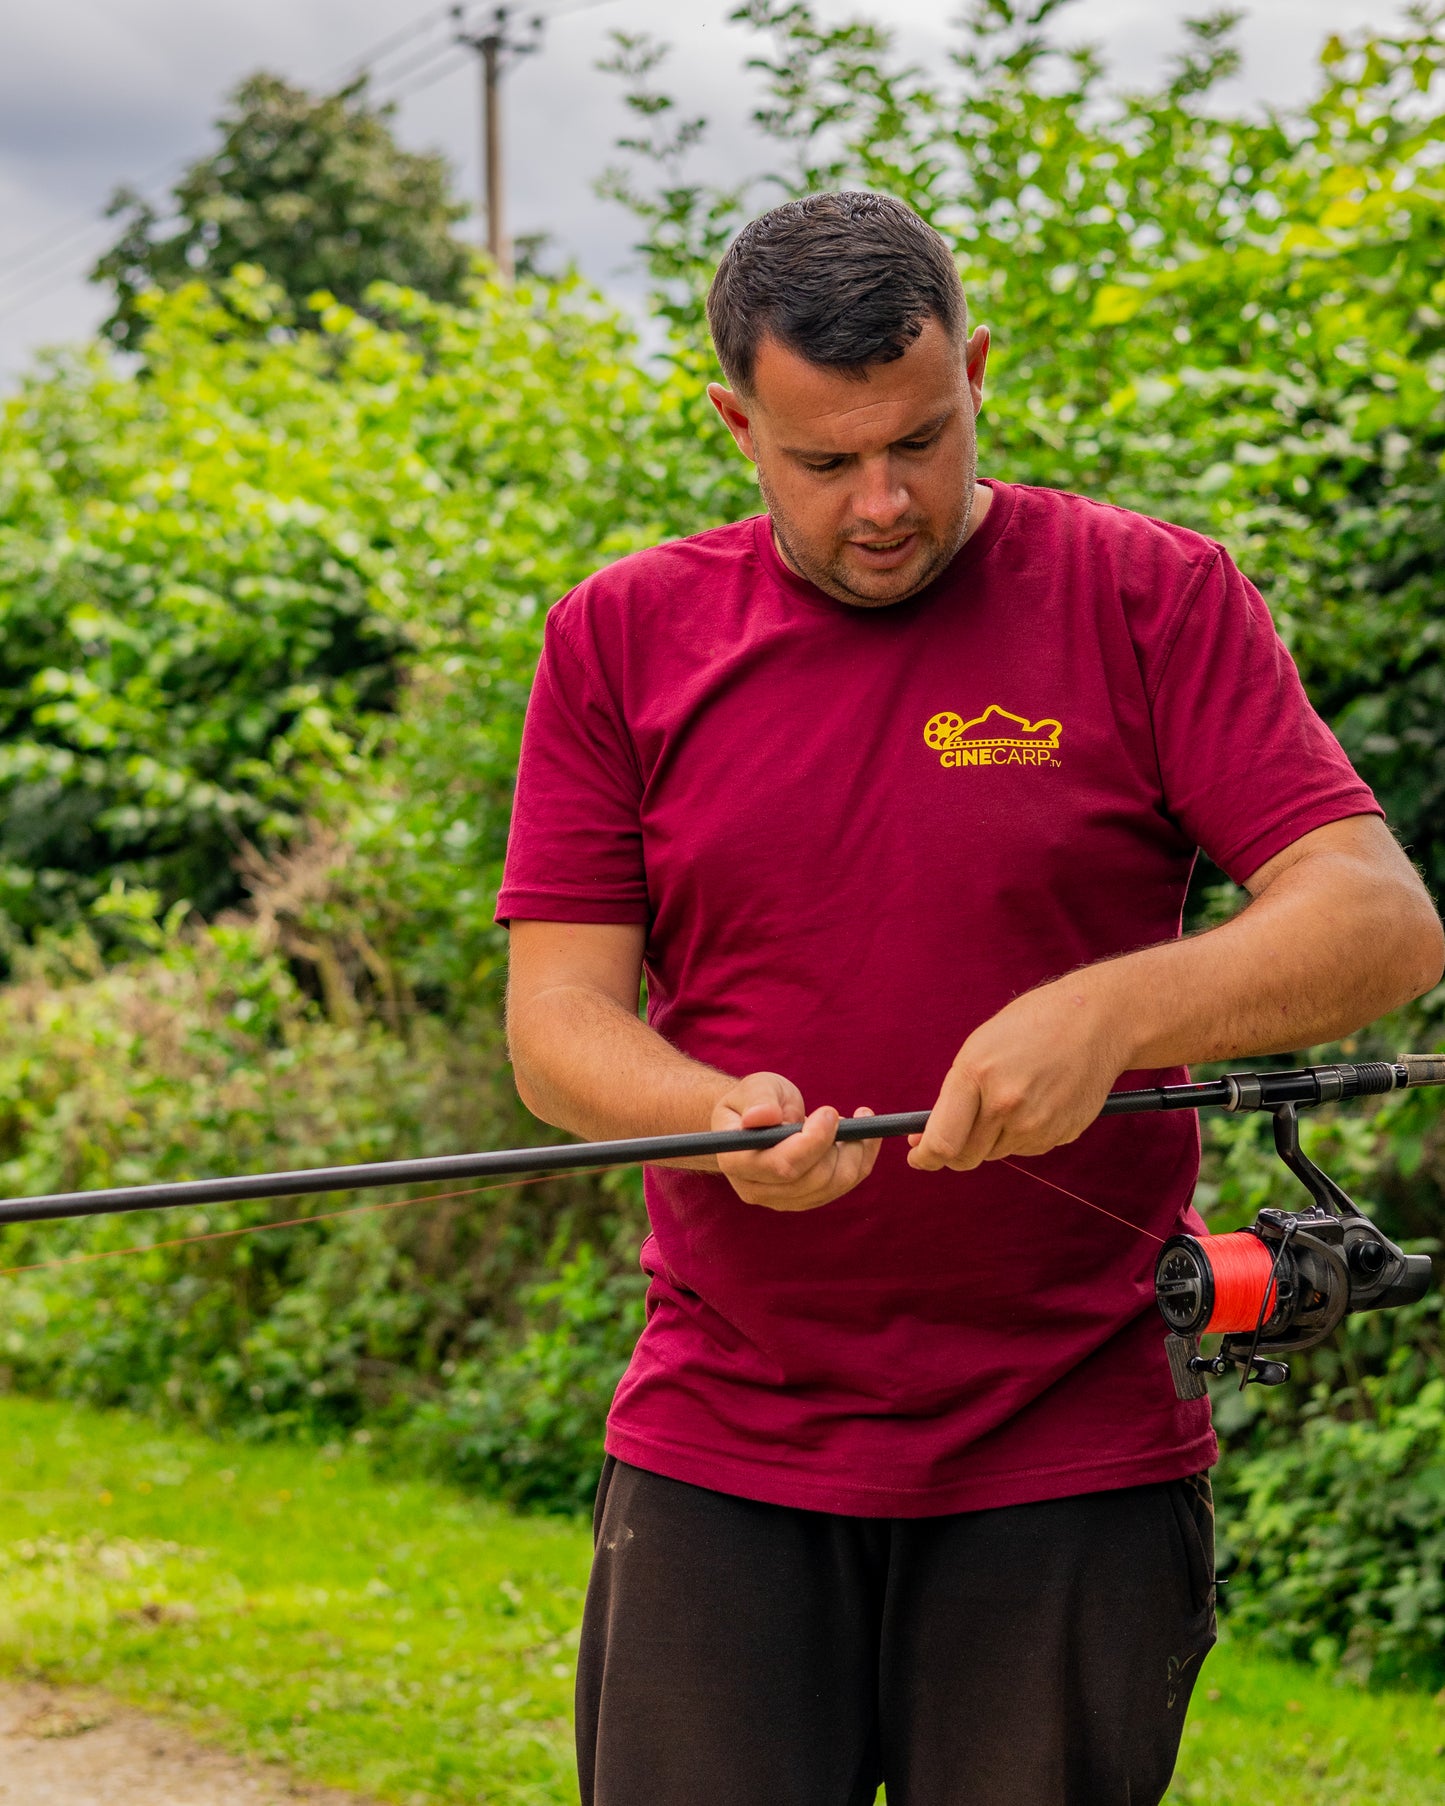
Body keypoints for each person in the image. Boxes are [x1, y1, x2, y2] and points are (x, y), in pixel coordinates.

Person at [496, 192, 1443, 1806]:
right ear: (735, 421)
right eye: (822, 460)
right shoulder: (620, 634)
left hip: (1067, 1445)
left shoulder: (1153, 597)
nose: (882, 501)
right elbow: (555, 1023)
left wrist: (1109, 1013)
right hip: (726, 1435)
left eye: (922, 441)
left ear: (978, 373)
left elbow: (1379, 925)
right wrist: (700, 1116)